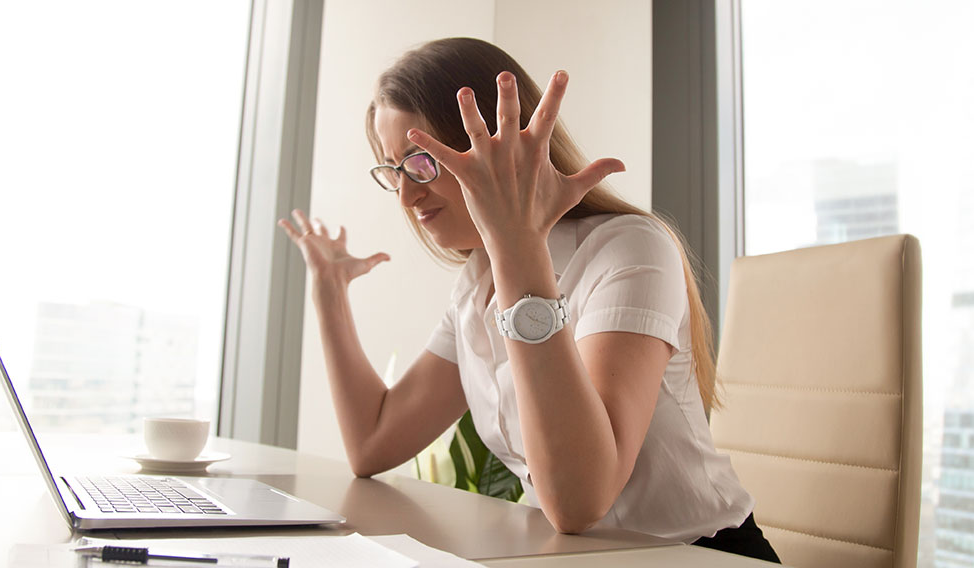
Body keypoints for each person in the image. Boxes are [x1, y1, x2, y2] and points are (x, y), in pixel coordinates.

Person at [277, 37, 780, 563]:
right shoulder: (476, 284)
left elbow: (580, 501)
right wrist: (329, 292)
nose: (407, 194)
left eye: (422, 161)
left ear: (500, 144)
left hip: (701, 554)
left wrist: (518, 245)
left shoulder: (628, 248)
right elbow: (374, 443)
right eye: (394, 169)